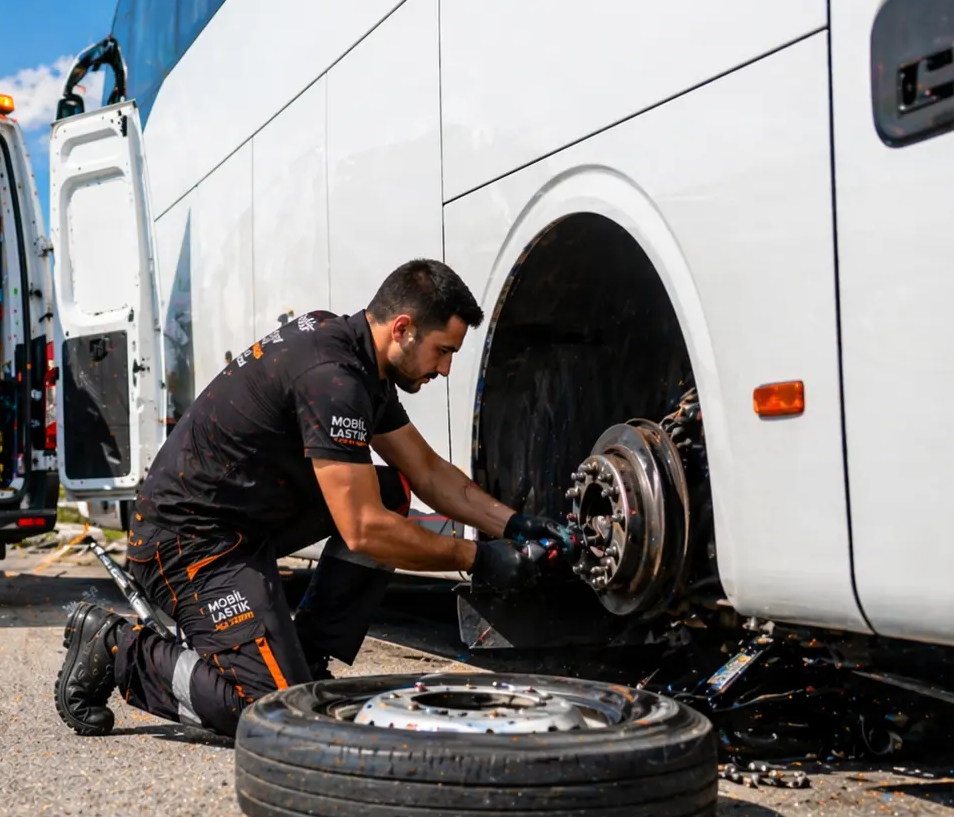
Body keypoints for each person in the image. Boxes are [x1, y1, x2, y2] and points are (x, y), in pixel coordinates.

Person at [54, 259, 575, 737]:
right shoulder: (333, 378)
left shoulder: (356, 359)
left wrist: (515, 526)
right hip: (185, 544)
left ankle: (306, 653)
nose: (444, 370)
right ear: (402, 329)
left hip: (240, 526)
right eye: (444, 351)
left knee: (392, 490)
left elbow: (429, 473)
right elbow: (363, 531)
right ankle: (115, 646)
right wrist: (479, 558)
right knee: (264, 709)